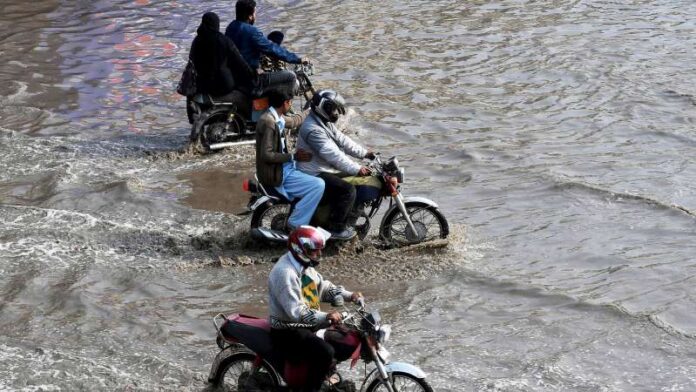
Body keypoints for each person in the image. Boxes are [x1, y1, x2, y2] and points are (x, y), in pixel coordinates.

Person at [268, 225, 363, 392]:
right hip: (288, 329)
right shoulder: (285, 273)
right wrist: (326, 316)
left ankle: (326, 374)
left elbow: (324, 288)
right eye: (315, 250)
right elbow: (296, 312)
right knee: (325, 352)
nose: (319, 254)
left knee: (346, 337)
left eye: (320, 250)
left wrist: (350, 295)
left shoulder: (305, 267)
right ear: (300, 249)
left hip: (307, 324)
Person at [296, 90, 377, 239]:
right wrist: (357, 168)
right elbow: (334, 155)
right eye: (332, 109)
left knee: (361, 180)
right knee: (348, 190)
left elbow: (343, 140)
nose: (335, 113)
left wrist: (365, 153)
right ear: (323, 107)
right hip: (313, 173)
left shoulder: (322, 121)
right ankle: (336, 229)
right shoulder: (312, 129)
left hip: (323, 168)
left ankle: (348, 217)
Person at [255, 87, 323, 230]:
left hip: (283, 167)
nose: (291, 105)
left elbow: (294, 121)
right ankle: (295, 224)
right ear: (285, 103)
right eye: (290, 102)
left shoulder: (276, 117)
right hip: (277, 173)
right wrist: (293, 156)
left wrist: (312, 107)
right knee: (318, 185)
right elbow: (266, 154)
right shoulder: (268, 122)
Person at [225, 0, 307, 94]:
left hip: (236, 77)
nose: (255, 16)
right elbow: (272, 48)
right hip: (252, 81)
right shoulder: (252, 31)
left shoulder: (230, 27)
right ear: (250, 16)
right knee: (291, 76)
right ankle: (281, 107)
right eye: (254, 13)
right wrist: (297, 59)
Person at [188, 11, 255, 110]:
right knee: (247, 96)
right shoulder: (223, 40)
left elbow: (191, 62)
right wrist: (253, 75)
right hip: (222, 87)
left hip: (202, 86)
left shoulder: (196, 41)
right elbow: (241, 63)